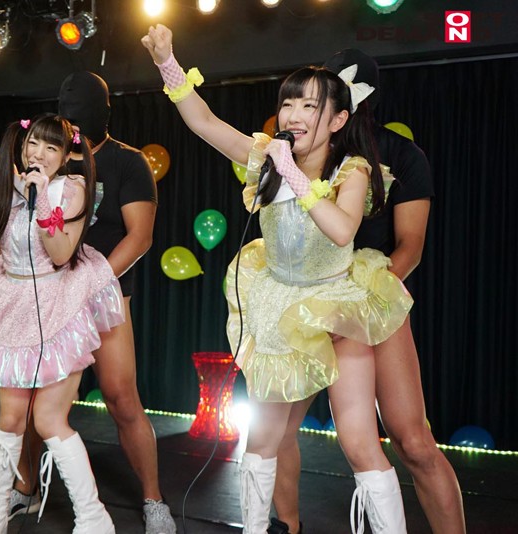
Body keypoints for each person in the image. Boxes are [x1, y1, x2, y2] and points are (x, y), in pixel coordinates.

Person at [142, 25, 414, 534]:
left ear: (338, 120)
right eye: (289, 103)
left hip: (339, 304)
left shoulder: (352, 169)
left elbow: (342, 230)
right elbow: (203, 121)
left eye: (310, 106)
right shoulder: (266, 155)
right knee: (265, 437)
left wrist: (291, 173)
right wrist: (166, 62)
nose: (293, 114)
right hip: (281, 306)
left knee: (359, 441)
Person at [267, 49, 466, 534]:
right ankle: (285, 526)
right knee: (273, 431)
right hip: (304, 299)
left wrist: (358, 306)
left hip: (370, 297)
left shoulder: (400, 155)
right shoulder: (299, 150)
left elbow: (410, 246)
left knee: (412, 441)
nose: (309, 107)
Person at [0, 39, 125, 534]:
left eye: (51, 147)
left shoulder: (72, 189)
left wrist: (41, 199)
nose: (39, 152)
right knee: (10, 418)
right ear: (22, 147)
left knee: (49, 420)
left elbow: (61, 253)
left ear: (65, 155)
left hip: (58, 302)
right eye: (33, 144)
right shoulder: (6, 184)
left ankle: (93, 518)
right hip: (11, 301)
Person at [0, 71, 175, 533]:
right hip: (44, 297)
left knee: (120, 395)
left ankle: (154, 499)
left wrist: (92, 284)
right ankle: (24, 488)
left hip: (102, 294)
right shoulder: (46, 158)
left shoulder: (127, 162)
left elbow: (140, 236)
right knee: (32, 399)